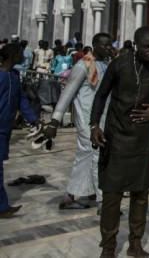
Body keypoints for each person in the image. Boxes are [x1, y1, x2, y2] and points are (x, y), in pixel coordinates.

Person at [90, 26, 149, 258]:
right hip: (116, 135)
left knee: (140, 194)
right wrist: (94, 126)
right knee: (112, 195)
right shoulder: (119, 64)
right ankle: (108, 247)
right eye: (147, 47)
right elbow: (101, 94)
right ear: (136, 45)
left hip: (144, 138)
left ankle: (135, 243)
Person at [44, 32, 113, 211]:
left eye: (109, 45)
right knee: (96, 155)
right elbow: (67, 93)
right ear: (94, 45)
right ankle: (101, 201)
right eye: (104, 45)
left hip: (102, 118)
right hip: (86, 119)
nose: (107, 48)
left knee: (87, 155)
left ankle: (74, 194)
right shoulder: (83, 66)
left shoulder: (106, 65)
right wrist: (55, 121)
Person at [0, 43, 41, 218]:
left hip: (4, 129)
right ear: (13, 56)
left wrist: (34, 119)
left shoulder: (14, 77)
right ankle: (2, 207)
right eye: (20, 54)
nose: (24, 57)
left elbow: (22, 101)